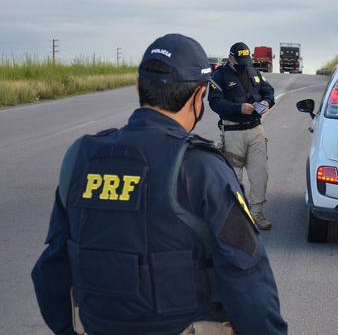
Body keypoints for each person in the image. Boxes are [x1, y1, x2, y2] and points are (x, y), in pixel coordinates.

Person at [31, 34, 288, 335]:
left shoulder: (80, 157)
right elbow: (248, 277)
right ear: (198, 98)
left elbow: (51, 270)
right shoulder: (202, 168)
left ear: (139, 87)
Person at [208, 42, 276, 230]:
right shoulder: (219, 75)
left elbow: (269, 91)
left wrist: (266, 102)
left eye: (246, 61)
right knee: (234, 175)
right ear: (230, 58)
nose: (243, 65)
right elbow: (214, 102)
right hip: (233, 132)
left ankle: (257, 214)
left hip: (256, 131)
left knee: (260, 173)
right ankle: (236, 217)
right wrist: (238, 108)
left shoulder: (253, 72)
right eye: (239, 61)